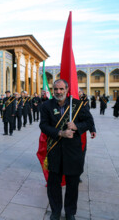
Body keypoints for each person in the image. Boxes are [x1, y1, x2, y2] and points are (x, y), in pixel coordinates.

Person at [40, 79, 94, 220]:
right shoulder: (46, 105)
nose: (59, 92)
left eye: (61, 89)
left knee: (72, 184)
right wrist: (60, 133)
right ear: (53, 90)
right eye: (56, 89)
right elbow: (43, 126)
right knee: (53, 184)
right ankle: (56, 211)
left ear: (67, 89)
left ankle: (70, 212)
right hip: (55, 150)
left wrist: (77, 127)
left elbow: (89, 121)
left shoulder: (77, 105)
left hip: (73, 151)